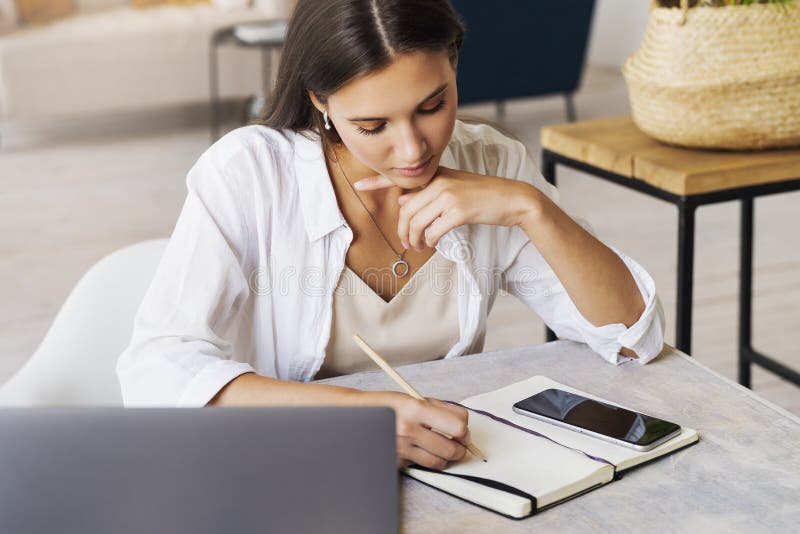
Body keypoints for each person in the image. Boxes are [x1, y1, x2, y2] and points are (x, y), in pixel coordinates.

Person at [117, 0, 665, 471]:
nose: (412, 151)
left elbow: (631, 338)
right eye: (372, 126)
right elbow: (157, 370)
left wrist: (532, 208)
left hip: (450, 468)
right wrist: (365, 422)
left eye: (432, 107)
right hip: (292, 468)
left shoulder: (492, 162)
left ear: (453, 63)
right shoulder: (249, 174)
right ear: (320, 101)